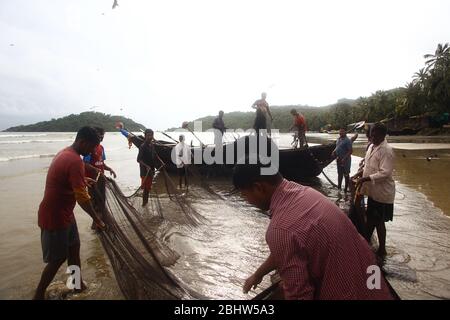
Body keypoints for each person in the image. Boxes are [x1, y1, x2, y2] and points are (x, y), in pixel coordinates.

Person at [233, 159, 393, 300]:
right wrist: (258, 274)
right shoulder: (307, 193)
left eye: (244, 195)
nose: (247, 201)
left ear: (258, 188)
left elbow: (299, 296)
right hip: (374, 286)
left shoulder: (280, 229)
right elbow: (288, 246)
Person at [34, 126, 106, 300]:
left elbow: (69, 180)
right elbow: (82, 198)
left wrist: (83, 179)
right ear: (82, 142)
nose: (90, 151)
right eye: (90, 147)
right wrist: (97, 219)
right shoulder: (73, 160)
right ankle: (38, 295)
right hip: (55, 215)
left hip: (66, 213)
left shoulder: (68, 153)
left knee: (74, 249)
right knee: (57, 259)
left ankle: (76, 284)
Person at [356, 123, 395, 260]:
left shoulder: (386, 150)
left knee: (378, 221)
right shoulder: (372, 146)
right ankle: (366, 243)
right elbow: (368, 165)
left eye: (375, 134)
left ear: (383, 135)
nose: (372, 136)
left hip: (382, 193)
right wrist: (359, 174)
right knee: (372, 218)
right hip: (373, 191)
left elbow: (385, 173)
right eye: (371, 134)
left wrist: (366, 178)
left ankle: (382, 249)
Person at [83, 127, 117, 225]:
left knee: (102, 202)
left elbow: (101, 163)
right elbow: (84, 163)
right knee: (94, 204)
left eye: (103, 136)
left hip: (101, 180)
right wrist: (94, 170)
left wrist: (110, 169)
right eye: (99, 136)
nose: (101, 138)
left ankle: (100, 223)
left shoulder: (101, 148)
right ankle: (96, 225)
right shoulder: (89, 148)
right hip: (92, 181)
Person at [137, 129, 158, 206]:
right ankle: (144, 204)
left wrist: (161, 162)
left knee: (148, 188)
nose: (150, 137)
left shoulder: (152, 145)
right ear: (145, 136)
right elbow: (138, 159)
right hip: (144, 171)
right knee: (145, 189)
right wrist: (146, 166)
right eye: (148, 135)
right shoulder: (142, 146)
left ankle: (145, 204)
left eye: (151, 135)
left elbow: (155, 155)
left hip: (151, 170)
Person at [332, 128, 353, 192]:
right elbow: (337, 147)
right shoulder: (338, 139)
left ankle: (346, 189)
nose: (340, 133)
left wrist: (344, 158)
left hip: (346, 160)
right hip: (339, 159)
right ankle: (339, 187)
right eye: (340, 131)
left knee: (346, 174)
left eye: (342, 132)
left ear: (345, 132)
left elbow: (350, 151)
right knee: (339, 174)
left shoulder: (348, 140)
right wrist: (334, 151)